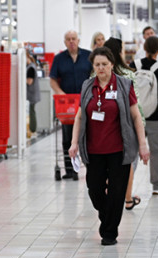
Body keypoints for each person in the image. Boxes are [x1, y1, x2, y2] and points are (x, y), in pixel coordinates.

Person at [68, 47, 150, 245]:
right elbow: (79, 116)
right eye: (97, 65)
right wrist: (73, 143)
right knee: (94, 189)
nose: (101, 68)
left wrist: (142, 144)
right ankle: (108, 217)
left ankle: (109, 232)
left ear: (112, 64)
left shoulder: (124, 85)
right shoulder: (87, 86)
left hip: (119, 150)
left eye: (105, 64)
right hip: (94, 150)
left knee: (116, 192)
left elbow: (136, 115)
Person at [102, 38, 144, 211]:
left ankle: (109, 194)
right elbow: (137, 105)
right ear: (119, 52)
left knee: (107, 162)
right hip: (126, 126)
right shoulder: (129, 74)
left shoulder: (97, 73)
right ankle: (127, 198)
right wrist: (142, 127)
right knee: (129, 163)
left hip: (104, 126)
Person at [131, 36, 158, 195]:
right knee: (157, 150)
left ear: (144, 48)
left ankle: (127, 184)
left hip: (134, 117)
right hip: (154, 117)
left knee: (132, 150)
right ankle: (157, 186)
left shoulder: (133, 66)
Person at [50, 30, 93, 181]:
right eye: (68, 39)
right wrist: (60, 93)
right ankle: (70, 170)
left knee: (88, 135)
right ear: (65, 42)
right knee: (68, 136)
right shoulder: (59, 59)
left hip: (86, 101)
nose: (71, 41)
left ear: (78, 40)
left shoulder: (88, 56)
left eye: (73, 39)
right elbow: (53, 79)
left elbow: (94, 75)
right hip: (67, 104)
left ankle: (90, 168)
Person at [26, 52, 41, 138]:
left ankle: (32, 129)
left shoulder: (30, 68)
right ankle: (32, 129)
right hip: (32, 94)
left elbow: (29, 81)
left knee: (31, 112)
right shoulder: (31, 66)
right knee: (32, 111)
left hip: (31, 94)